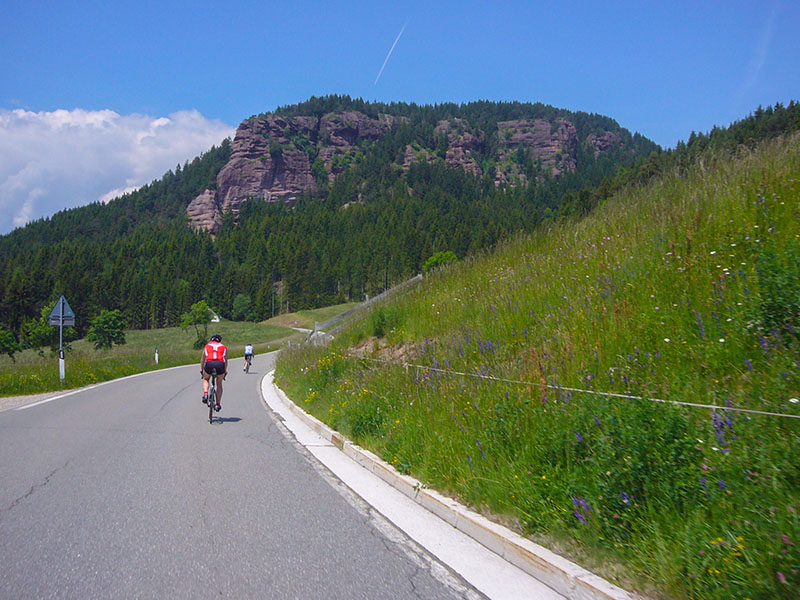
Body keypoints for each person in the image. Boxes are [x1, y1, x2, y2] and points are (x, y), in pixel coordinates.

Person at [201, 334, 227, 411]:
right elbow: (225, 360)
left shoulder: (207, 346)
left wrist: (201, 369)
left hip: (209, 363)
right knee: (219, 383)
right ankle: (218, 404)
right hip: (220, 364)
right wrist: (225, 370)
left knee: (206, 379)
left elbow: (203, 359)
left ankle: (205, 394)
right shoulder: (223, 347)